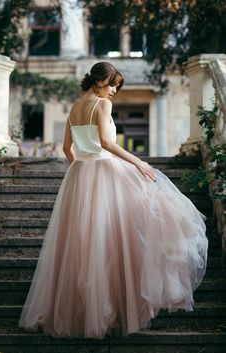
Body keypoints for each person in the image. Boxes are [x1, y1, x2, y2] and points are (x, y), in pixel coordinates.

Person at [19, 62, 208, 339]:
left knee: (85, 246)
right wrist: (138, 162)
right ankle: (116, 308)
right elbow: (107, 143)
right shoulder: (101, 105)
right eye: (112, 84)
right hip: (104, 172)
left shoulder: (74, 107)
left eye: (117, 86)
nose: (114, 91)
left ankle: (90, 312)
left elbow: (66, 148)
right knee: (123, 233)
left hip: (80, 174)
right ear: (98, 82)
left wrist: (81, 169)